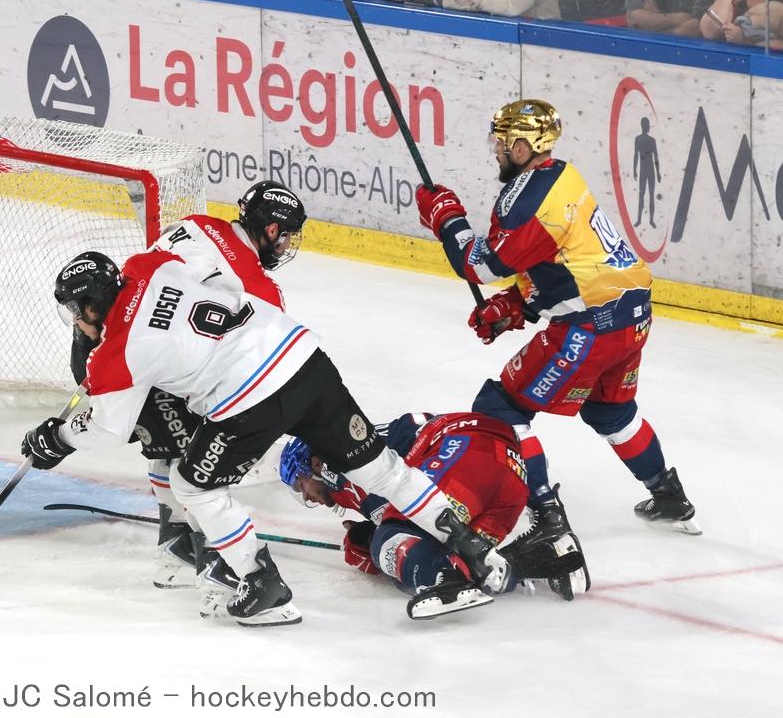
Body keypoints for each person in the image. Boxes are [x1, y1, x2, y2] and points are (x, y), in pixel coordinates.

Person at [22, 249, 505, 626]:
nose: (76, 322)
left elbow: (108, 426)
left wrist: (56, 438)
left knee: (194, 485)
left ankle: (261, 584)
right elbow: (214, 275)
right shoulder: (149, 265)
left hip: (250, 397)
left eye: (75, 312)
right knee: (380, 469)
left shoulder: (116, 356)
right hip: (302, 358)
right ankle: (471, 547)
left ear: (91, 305)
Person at [413, 99, 701, 598]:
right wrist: (516, 306)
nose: (496, 150)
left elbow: (483, 265)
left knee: (500, 406)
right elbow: (561, 264)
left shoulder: (526, 200)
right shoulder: (559, 175)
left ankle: (547, 518)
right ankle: (668, 495)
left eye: (503, 143)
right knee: (611, 413)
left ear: (524, 146)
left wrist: (447, 220)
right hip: (632, 313)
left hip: (591, 326)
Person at [66, 182, 308, 589]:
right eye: (285, 235)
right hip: (140, 363)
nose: (285, 245)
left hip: (100, 342)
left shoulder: (197, 223)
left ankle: (174, 541)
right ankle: (207, 555)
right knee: (197, 457)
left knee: (167, 443)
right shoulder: (261, 289)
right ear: (271, 230)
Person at [280, 412, 584, 617]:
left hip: (464, 452)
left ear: (316, 465)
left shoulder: (342, 460)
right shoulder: (346, 482)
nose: (305, 496)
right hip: (507, 479)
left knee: (388, 542)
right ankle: (543, 553)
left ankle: (443, 580)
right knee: (468, 560)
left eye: (300, 484)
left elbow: (401, 512)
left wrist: (369, 540)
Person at [632, 117, 662, 227]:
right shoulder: (638, 139)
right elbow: (636, 155)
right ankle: (639, 219)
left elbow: (656, 157)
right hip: (644, 171)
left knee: (651, 195)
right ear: (643, 126)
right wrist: (634, 169)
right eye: (646, 125)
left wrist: (658, 173)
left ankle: (651, 220)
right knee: (642, 194)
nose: (648, 127)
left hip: (650, 171)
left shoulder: (652, 140)